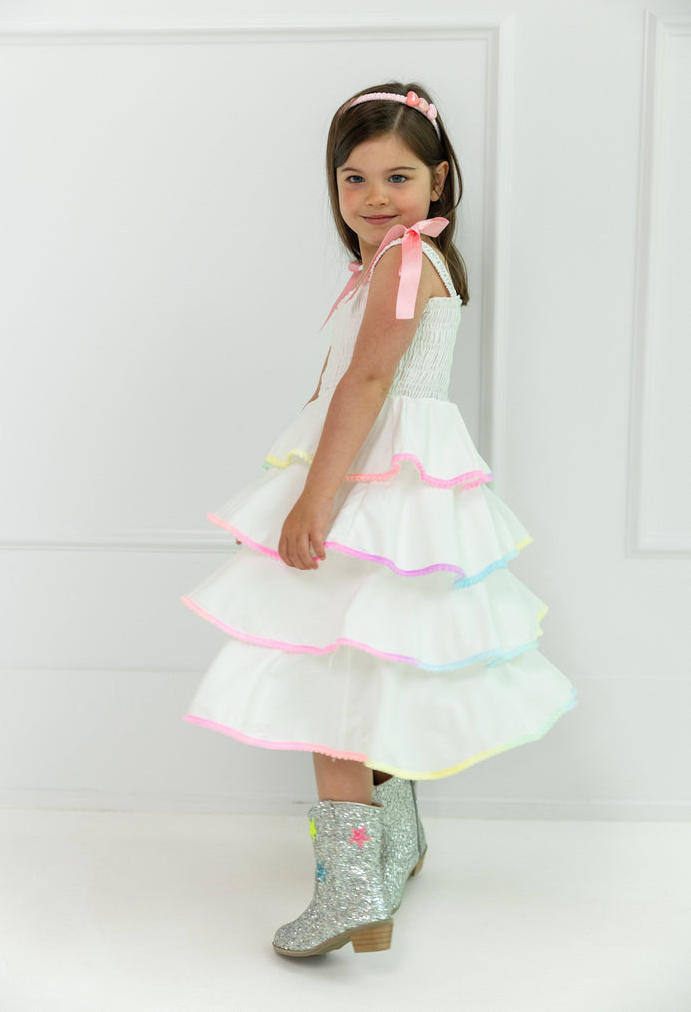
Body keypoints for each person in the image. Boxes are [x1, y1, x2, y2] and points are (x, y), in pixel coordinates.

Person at [180, 81, 578, 958]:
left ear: (439, 181)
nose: (372, 198)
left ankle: (351, 889)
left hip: (372, 486)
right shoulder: (394, 262)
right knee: (368, 671)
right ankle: (396, 845)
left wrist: (314, 499)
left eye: (397, 177)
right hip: (389, 480)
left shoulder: (405, 261)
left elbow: (367, 385)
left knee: (333, 689)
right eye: (352, 179)